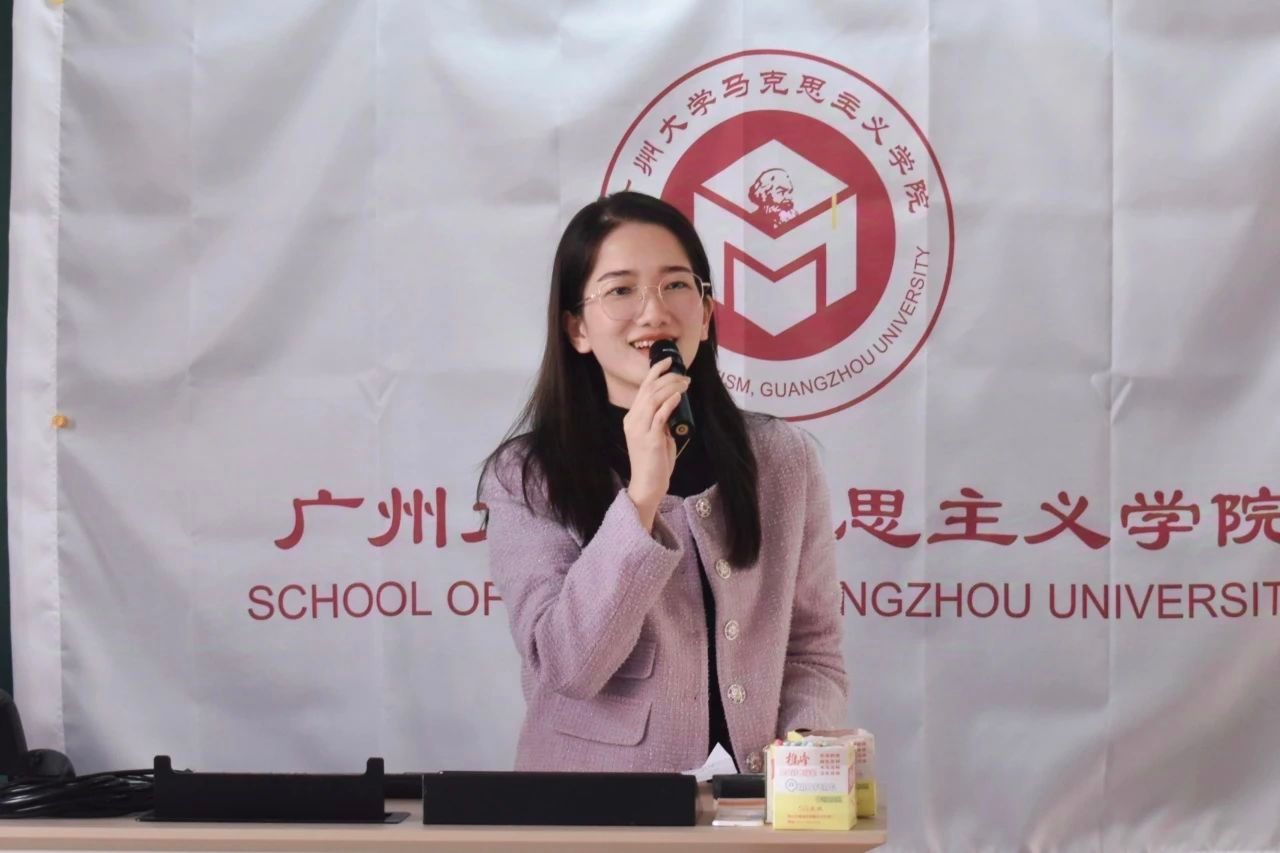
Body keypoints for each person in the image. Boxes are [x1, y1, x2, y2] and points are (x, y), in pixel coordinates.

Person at [479, 191, 848, 774]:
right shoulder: (528, 476)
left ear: (706, 311)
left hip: (754, 810)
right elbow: (568, 668)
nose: (653, 312)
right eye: (621, 290)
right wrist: (642, 496)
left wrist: (801, 767)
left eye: (676, 285)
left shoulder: (781, 458)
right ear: (577, 328)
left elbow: (811, 650)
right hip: (589, 809)